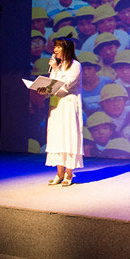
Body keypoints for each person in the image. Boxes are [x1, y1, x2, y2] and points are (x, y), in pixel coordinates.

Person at [37, 34, 83, 186]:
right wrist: (43, 89)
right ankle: (59, 173)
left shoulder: (75, 65)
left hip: (68, 104)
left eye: (58, 46)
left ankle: (69, 174)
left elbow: (67, 84)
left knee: (68, 136)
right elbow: (52, 85)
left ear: (66, 49)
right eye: (55, 46)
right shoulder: (57, 65)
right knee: (56, 136)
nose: (55, 49)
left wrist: (57, 69)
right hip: (56, 105)